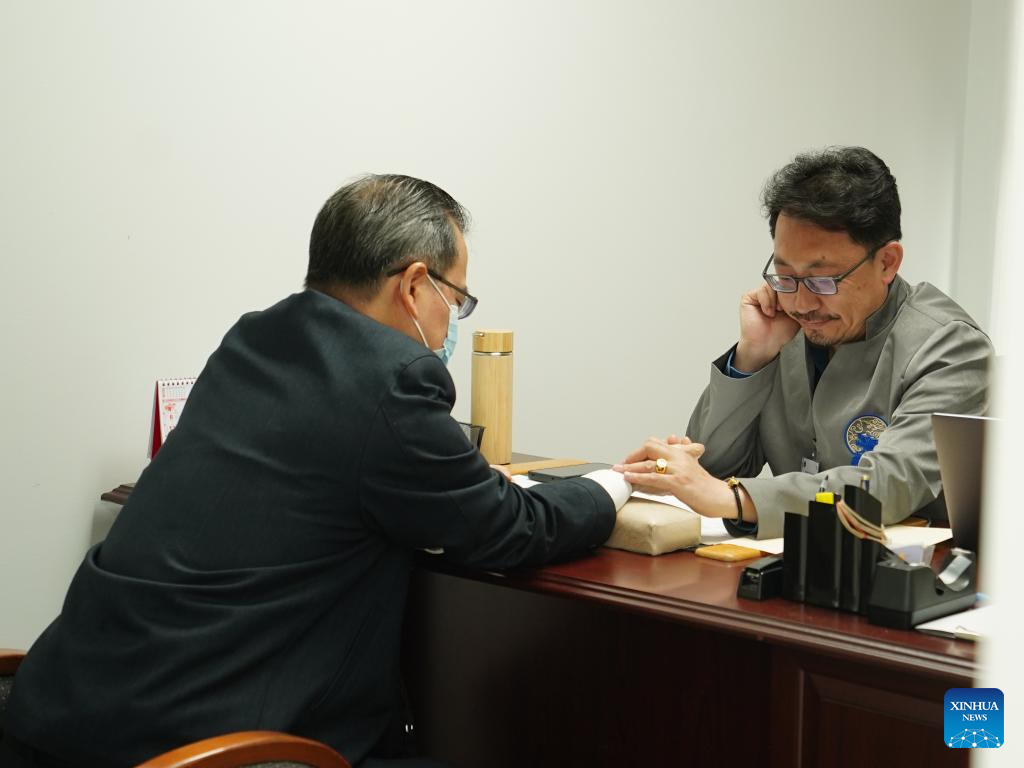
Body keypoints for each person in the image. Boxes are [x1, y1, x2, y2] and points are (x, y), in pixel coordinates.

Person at [1, 175, 630, 768]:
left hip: (52, 718)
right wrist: (617, 483)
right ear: (415, 285)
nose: (451, 323)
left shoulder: (253, 340)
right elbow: (510, 528)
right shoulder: (394, 378)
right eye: (456, 300)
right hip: (204, 747)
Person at [616, 146, 993, 539]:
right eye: (785, 276)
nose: (801, 303)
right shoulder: (785, 327)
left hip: (910, 564)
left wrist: (735, 498)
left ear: (887, 262)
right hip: (795, 555)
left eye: (822, 280)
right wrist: (752, 358)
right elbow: (709, 471)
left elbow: (891, 484)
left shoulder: (951, 347)